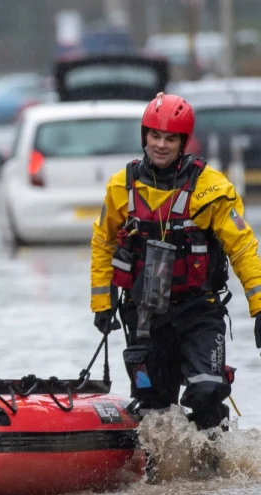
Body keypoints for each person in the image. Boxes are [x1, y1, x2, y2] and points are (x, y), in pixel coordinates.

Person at [91, 93, 261, 440]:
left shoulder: (213, 189)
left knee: (207, 391)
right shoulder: (121, 187)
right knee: (154, 409)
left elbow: (243, 248)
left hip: (198, 311)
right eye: (155, 136)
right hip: (144, 316)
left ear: (184, 142)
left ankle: (213, 463)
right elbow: (103, 243)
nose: (161, 145)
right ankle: (161, 468)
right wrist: (102, 303)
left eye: (170, 138)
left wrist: (260, 307)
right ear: (144, 136)